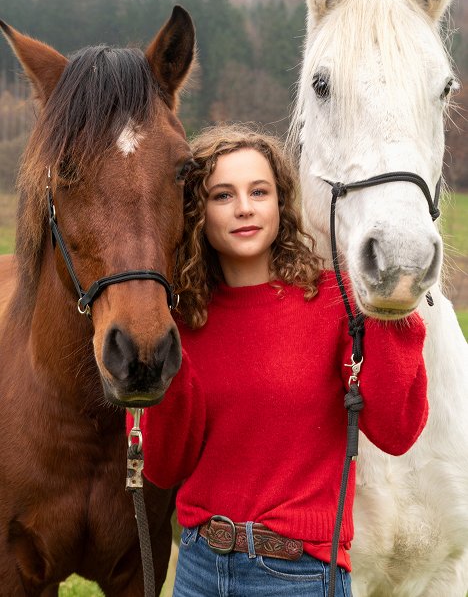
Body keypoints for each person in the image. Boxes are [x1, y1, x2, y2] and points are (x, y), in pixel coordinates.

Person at [130, 123, 428, 596]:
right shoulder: (180, 320)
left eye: (259, 191)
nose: (244, 208)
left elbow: (396, 431)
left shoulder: (337, 300)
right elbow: (163, 467)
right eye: (222, 195)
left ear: (279, 202)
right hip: (199, 567)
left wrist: (390, 309)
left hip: (300, 575)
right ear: (196, 212)